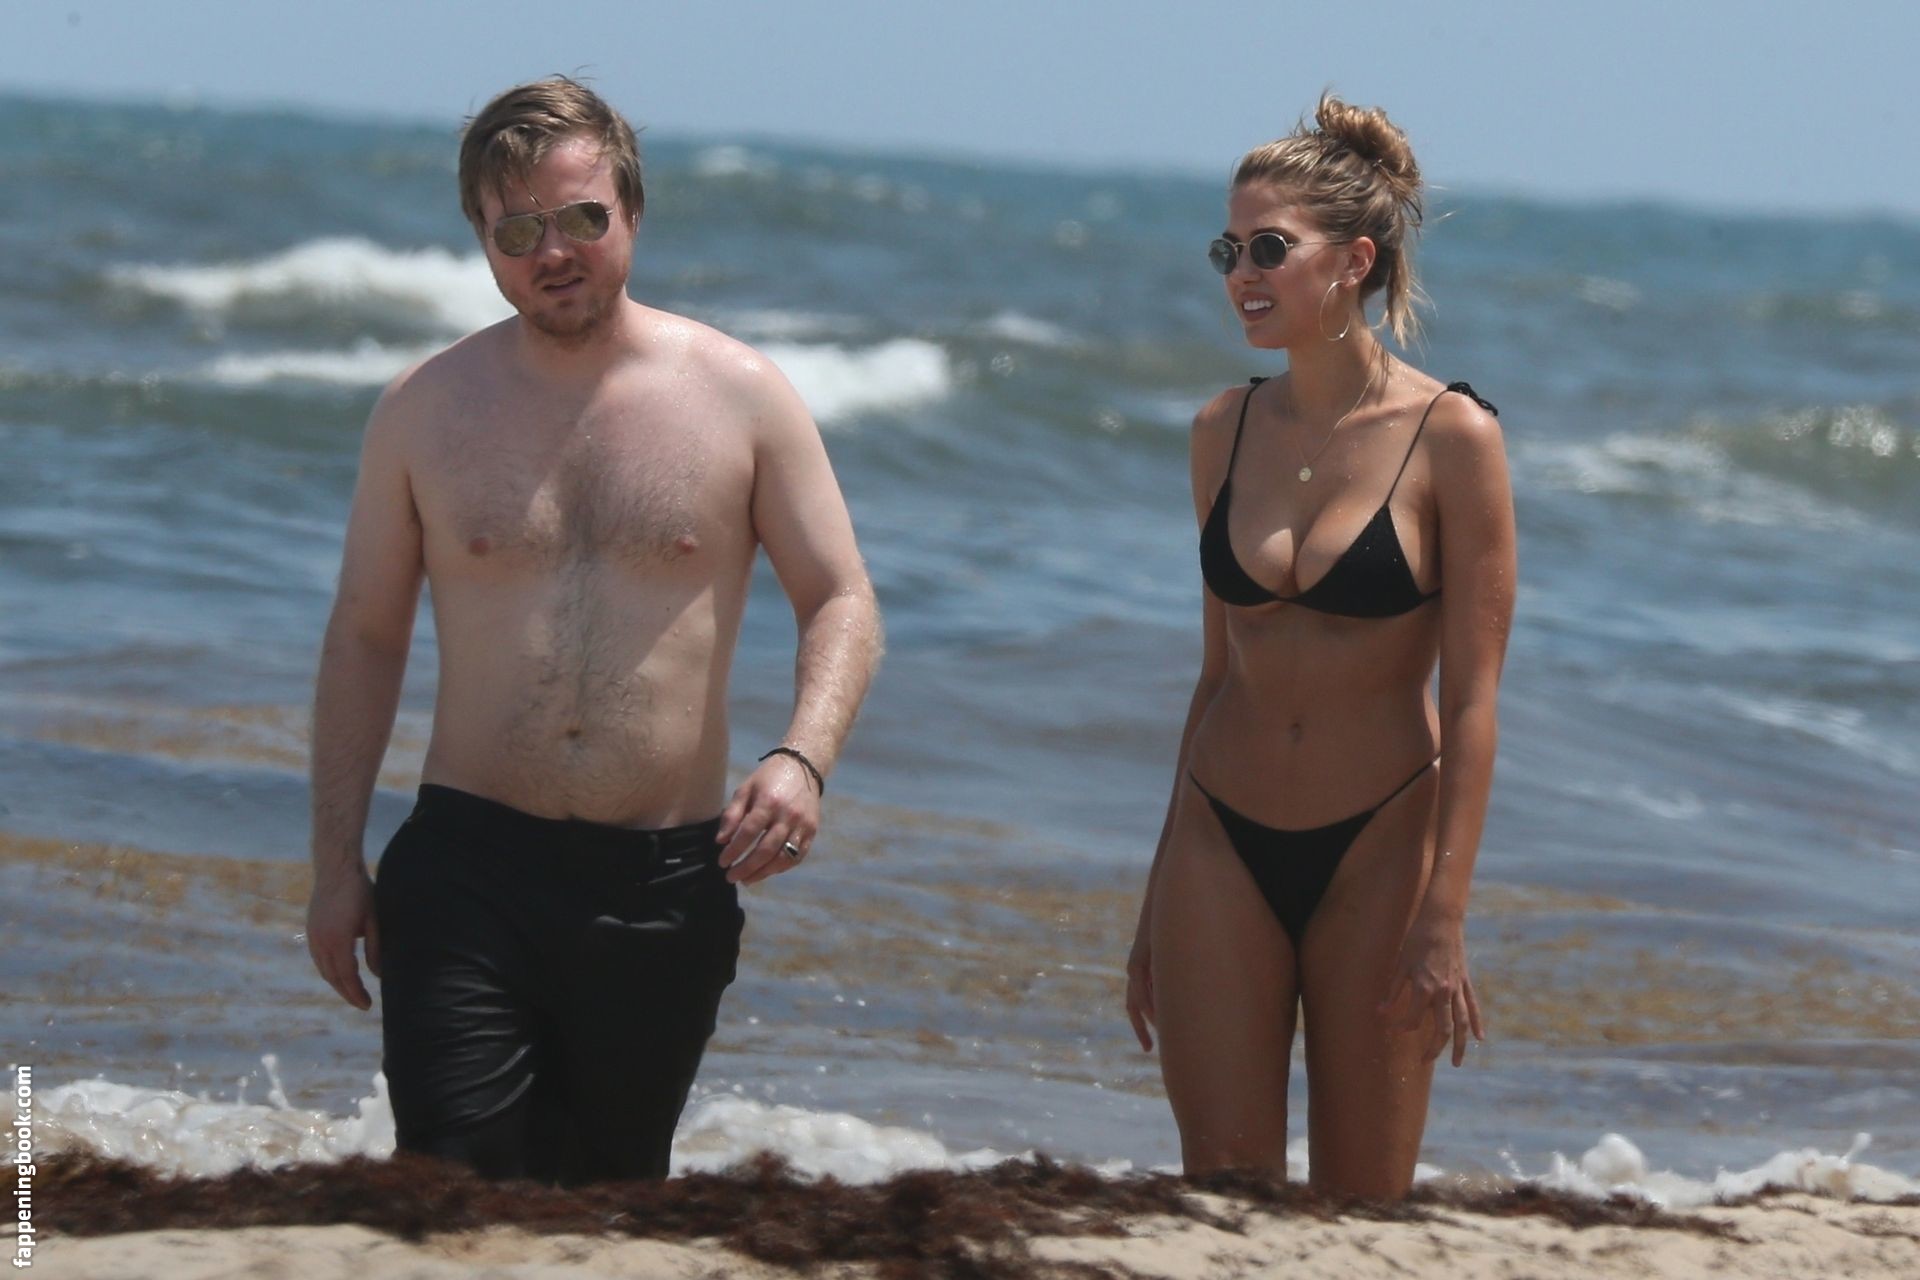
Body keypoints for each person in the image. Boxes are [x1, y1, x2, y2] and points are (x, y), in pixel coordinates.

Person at [302, 77, 882, 1185]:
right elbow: (365, 635)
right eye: (517, 231)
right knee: (449, 1190)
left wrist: (802, 759)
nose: (553, 252)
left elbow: (840, 596)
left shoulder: (743, 396)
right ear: (482, 240)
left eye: (581, 217)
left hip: (661, 883)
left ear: (633, 211)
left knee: (610, 1202)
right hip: (465, 867)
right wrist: (335, 866)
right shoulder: (423, 409)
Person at [1124, 94, 1516, 1197]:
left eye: (1269, 248)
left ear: (1353, 261)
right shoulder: (1222, 430)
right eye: (1228, 250)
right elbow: (1216, 674)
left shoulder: (1453, 437)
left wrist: (1444, 914)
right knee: (1221, 1203)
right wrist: (1156, 898)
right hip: (1217, 838)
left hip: (1379, 846)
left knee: (1364, 1209)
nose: (1241, 274)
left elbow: (1474, 702)